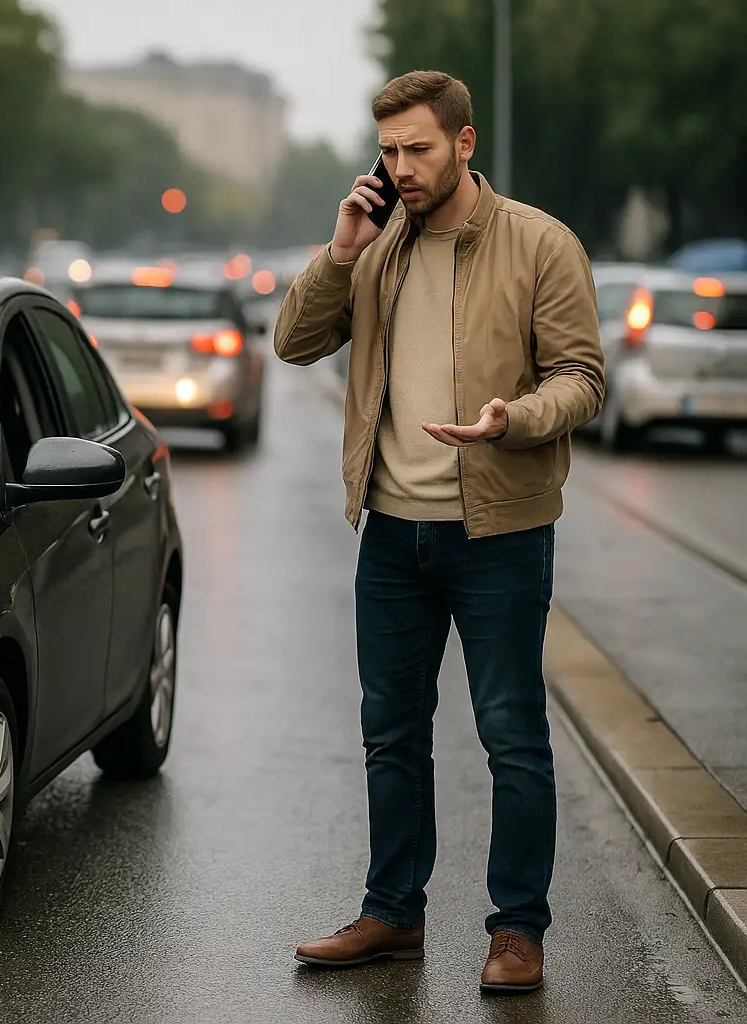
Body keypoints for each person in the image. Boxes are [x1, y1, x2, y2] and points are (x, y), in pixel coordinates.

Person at [274, 70, 604, 994]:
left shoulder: (540, 244)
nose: (401, 167)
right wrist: (341, 252)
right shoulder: (377, 247)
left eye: (418, 148)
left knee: (511, 735)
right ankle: (392, 914)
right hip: (391, 532)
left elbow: (582, 377)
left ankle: (517, 931)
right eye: (387, 151)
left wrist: (516, 420)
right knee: (391, 735)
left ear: (463, 143)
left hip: (497, 531)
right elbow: (294, 344)